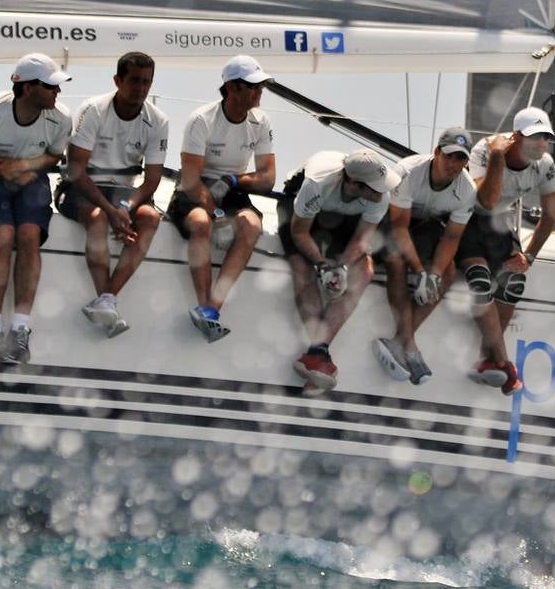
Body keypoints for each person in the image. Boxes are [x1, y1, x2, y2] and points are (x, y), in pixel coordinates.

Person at [0, 53, 72, 365]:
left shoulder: (61, 118)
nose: (57, 93)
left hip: (30, 176)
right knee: (3, 234)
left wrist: (24, 166)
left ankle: (21, 329)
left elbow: (53, 156)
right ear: (27, 88)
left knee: (28, 234)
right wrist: (1, 167)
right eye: (51, 87)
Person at [58, 52, 167, 338]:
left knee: (151, 219)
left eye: (146, 82)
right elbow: (76, 170)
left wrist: (124, 207)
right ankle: (104, 299)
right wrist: (110, 210)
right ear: (117, 80)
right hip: (85, 186)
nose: (141, 88)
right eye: (134, 81)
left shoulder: (158, 120)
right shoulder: (92, 109)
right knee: (96, 219)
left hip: (124, 193)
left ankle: (107, 299)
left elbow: (153, 179)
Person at [167, 55, 275, 342]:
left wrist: (233, 180)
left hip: (232, 191)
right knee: (201, 223)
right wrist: (217, 216)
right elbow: (190, 180)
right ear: (231, 88)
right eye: (253, 86)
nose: (259, 91)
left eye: (261, 85)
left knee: (251, 226)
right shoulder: (202, 120)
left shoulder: (261, 121)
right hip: (194, 188)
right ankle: (204, 304)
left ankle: (212, 310)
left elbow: (267, 178)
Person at [457, 107, 555, 396]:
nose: (541, 144)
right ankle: (503, 361)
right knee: (480, 282)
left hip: (495, 225)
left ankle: (488, 358)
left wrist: (528, 256)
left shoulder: (544, 164)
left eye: (546, 138)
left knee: (514, 280)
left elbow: (551, 215)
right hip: (463, 218)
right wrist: (497, 159)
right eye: (534, 138)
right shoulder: (487, 149)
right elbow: (486, 201)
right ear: (516, 137)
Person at [278, 149, 397, 393]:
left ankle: (316, 353)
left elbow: (362, 239)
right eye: (376, 187)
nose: (383, 191)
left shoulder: (379, 196)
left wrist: (341, 266)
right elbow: (299, 232)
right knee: (302, 268)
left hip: (346, 216)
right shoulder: (317, 184)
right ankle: (318, 354)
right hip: (301, 210)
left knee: (364, 271)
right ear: (353, 183)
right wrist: (321, 264)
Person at [372, 128, 477, 386]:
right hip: (391, 221)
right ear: (437, 152)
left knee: (448, 272)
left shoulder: (467, 190)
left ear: (466, 162)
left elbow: (452, 237)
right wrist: (420, 272)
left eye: (460, 159)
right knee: (397, 261)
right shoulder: (407, 172)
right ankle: (410, 347)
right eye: (449, 156)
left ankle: (399, 341)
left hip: (425, 225)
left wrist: (433, 276)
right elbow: (398, 228)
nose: (453, 164)